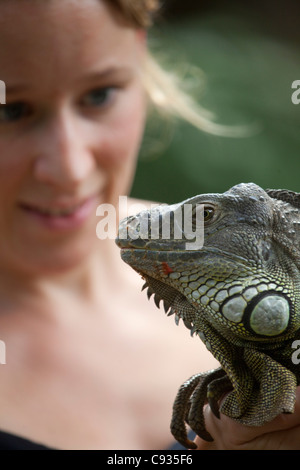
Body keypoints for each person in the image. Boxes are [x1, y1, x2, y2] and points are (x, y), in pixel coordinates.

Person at [0, 0, 299, 451]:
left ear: (141, 57)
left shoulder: (205, 250)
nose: (70, 167)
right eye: (10, 110)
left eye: (99, 95)